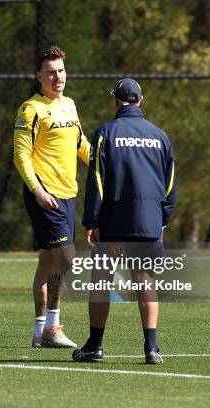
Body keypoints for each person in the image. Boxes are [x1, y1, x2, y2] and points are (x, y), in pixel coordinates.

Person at [73, 78, 176, 364]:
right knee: (145, 280)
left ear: (116, 101)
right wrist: (162, 218)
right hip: (149, 221)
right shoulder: (160, 136)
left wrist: (91, 221)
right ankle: (152, 348)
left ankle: (95, 346)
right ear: (140, 101)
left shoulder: (106, 133)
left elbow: (97, 181)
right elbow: (169, 186)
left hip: (114, 222)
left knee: (101, 282)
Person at [13, 46, 91, 348]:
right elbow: (21, 155)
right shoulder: (30, 109)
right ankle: (53, 327)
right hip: (44, 194)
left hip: (68, 193)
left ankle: (39, 331)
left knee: (48, 261)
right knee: (67, 259)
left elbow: (80, 144)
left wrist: (105, 162)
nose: (57, 76)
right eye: (50, 72)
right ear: (39, 76)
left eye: (60, 70)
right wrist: (37, 190)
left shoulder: (69, 105)